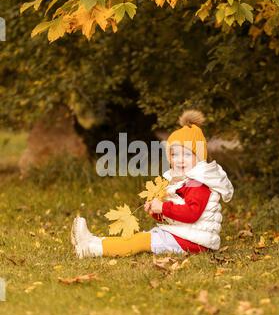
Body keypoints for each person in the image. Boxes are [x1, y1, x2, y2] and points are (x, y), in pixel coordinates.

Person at [71, 109, 234, 258]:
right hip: (185, 235)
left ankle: (90, 249)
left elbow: (191, 214)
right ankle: (92, 242)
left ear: (199, 157)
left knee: (140, 241)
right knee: (139, 238)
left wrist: (163, 207)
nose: (180, 160)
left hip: (195, 243)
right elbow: (177, 214)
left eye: (187, 154)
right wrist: (157, 212)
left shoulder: (200, 182)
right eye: (175, 154)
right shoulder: (184, 181)